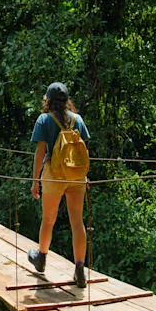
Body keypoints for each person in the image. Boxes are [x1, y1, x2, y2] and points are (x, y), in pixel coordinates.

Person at [28, 82, 91, 288]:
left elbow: (40, 152)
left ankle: (41, 258)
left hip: (54, 174)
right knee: (77, 222)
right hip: (76, 176)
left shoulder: (44, 119)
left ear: (48, 100)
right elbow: (84, 148)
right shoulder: (78, 120)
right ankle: (80, 269)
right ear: (66, 101)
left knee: (48, 220)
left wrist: (35, 180)